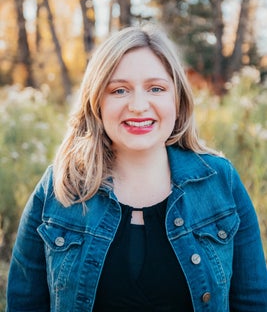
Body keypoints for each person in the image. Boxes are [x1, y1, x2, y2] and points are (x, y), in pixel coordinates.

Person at [6, 24, 267, 312]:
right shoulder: (59, 187)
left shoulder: (220, 182)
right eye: (119, 90)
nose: (139, 106)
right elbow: (25, 304)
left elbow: (253, 302)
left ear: (177, 99)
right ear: (97, 103)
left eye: (156, 88)